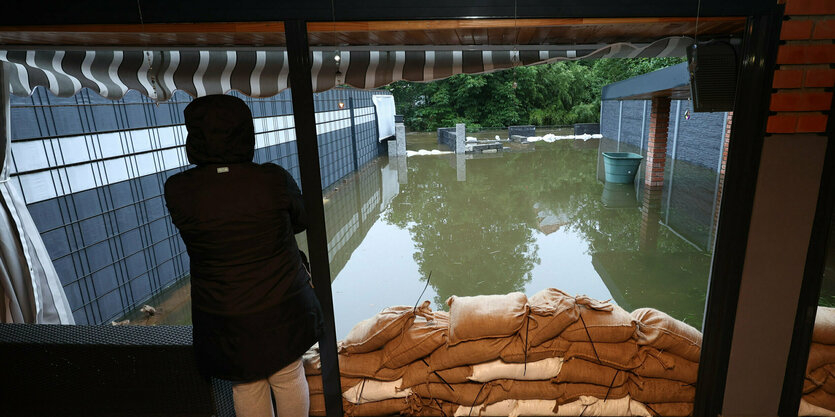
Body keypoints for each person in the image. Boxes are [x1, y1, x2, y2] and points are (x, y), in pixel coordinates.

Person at [164, 94, 323, 417]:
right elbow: (302, 221)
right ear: (245, 134)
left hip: (225, 314)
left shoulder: (179, 190)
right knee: (289, 373)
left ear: (193, 138)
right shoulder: (271, 180)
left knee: (245, 384)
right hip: (283, 306)